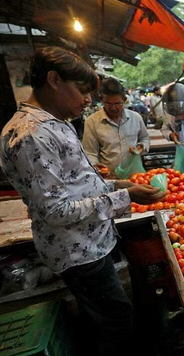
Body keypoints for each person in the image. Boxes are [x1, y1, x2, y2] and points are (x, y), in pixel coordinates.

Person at [0, 46, 166, 356]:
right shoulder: (30, 134)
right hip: (78, 252)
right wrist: (123, 196)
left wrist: (118, 183)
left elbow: (76, 182)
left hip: (89, 242)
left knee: (106, 316)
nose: (88, 100)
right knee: (116, 320)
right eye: (82, 90)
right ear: (54, 80)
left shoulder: (54, 123)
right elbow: (55, 209)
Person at [82, 78, 150, 176]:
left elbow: (145, 138)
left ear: (124, 100)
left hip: (136, 176)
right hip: (110, 178)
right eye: (108, 104)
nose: (113, 108)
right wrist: (96, 166)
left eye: (117, 103)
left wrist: (142, 147)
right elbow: (90, 152)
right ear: (101, 100)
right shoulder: (92, 122)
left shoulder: (136, 118)